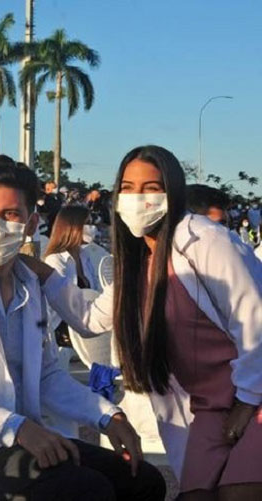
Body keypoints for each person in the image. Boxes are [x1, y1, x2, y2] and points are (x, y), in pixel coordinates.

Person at [0, 157, 165, 501]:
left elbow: (48, 376)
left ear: (30, 223)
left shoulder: (29, 285)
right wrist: (16, 427)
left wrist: (107, 416)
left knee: (144, 480)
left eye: (10, 214)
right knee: (89, 491)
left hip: (27, 440)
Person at [108, 145, 262, 500]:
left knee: (239, 492)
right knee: (194, 495)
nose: (137, 198)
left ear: (172, 190)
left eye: (150, 187)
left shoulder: (204, 239)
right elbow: (89, 316)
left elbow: (253, 317)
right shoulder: (137, 263)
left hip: (252, 393)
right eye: (128, 188)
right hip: (211, 407)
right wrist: (38, 275)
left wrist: (247, 401)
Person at [43, 205, 102, 349]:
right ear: (72, 227)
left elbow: (95, 291)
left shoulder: (85, 256)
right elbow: (62, 301)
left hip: (87, 330)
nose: (91, 227)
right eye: (87, 223)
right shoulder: (55, 259)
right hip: (63, 336)